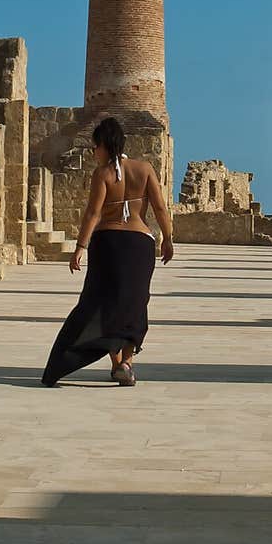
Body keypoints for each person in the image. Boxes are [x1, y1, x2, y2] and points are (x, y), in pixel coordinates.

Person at [41, 116, 174, 388]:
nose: (93, 153)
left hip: (108, 243)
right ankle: (126, 362)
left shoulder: (102, 174)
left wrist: (80, 247)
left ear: (104, 145)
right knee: (134, 302)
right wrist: (168, 238)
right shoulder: (145, 169)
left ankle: (115, 364)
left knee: (102, 302)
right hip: (139, 244)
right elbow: (160, 208)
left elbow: (93, 212)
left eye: (95, 147)